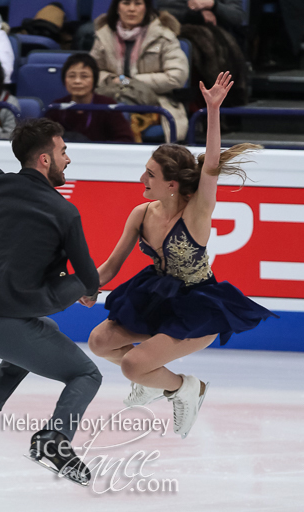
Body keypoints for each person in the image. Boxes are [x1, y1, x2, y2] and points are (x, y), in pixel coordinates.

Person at [0, 27, 102, 485]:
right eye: (64, 152)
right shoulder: (64, 211)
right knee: (86, 374)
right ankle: (54, 441)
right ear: (44, 159)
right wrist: (85, 290)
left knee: (40, 331)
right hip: (8, 329)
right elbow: (89, 277)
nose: (69, 159)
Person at [83, 72, 277, 440]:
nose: (143, 177)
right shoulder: (141, 214)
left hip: (197, 304)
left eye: (150, 174)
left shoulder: (197, 212)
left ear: (172, 184)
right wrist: (87, 285)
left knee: (132, 365)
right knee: (99, 342)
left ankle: (188, 388)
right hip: (155, 295)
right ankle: (158, 383)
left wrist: (214, 110)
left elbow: (211, 167)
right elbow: (110, 266)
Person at [90, 0, 189, 142]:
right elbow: (92, 72)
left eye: (138, 3)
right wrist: (112, 80)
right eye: (126, 3)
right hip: (112, 95)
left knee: (120, 111)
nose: (132, 9)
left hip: (155, 102)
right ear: (117, 8)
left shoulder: (163, 35)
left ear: (146, 8)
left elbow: (176, 76)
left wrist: (130, 81)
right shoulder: (103, 35)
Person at [45, 53, 135, 144]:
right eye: (71, 76)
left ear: (94, 79)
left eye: (84, 76)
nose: (77, 81)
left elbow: (125, 140)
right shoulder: (56, 107)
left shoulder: (107, 106)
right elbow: (44, 141)